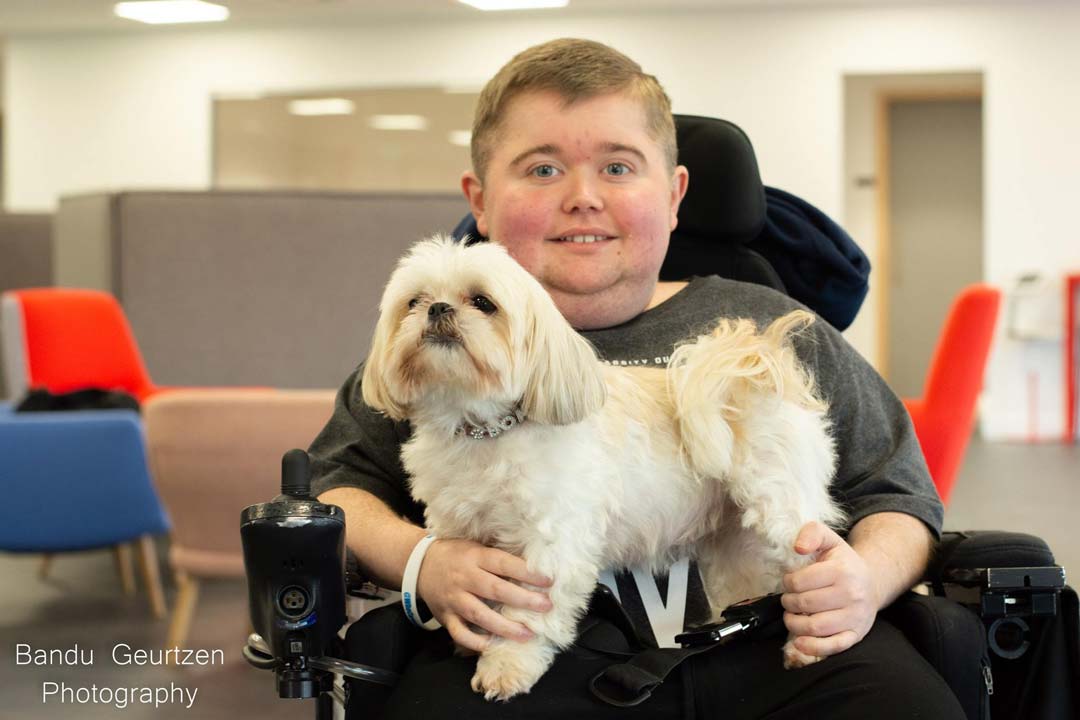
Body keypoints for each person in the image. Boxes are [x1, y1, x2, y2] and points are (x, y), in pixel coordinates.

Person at [309, 38, 965, 719]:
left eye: (618, 167)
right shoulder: (427, 350)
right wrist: (422, 560)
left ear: (675, 195)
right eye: (541, 170)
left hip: (768, 644)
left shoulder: (775, 329)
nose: (582, 198)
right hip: (526, 655)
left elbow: (900, 497)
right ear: (480, 200)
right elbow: (333, 489)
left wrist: (863, 579)